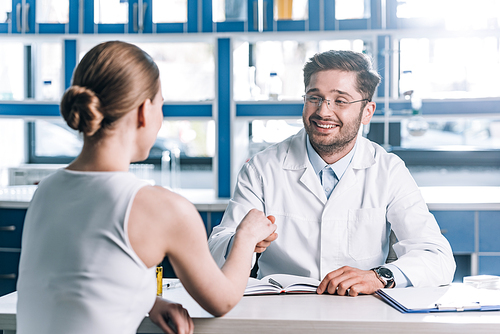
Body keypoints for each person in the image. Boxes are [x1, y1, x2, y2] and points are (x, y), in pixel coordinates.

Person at [16, 41, 277, 334]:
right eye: (161, 104)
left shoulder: (46, 190)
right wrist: (246, 237)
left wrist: (147, 302)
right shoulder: (162, 209)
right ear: (144, 111)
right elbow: (223, 300)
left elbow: (75, 283)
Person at [208, 50, 455, 297]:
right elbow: (215, 255)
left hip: (360, 313)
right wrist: (241, 242)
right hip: (281, 311)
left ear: (367, 112)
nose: (323, 111)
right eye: (314, 98)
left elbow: (438, 258)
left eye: (340, 100)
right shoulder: (262, 168)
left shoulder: (388, 170)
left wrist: (379, 276)